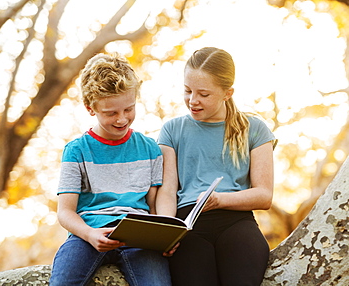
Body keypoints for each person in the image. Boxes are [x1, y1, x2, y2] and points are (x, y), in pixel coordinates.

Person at [156, 47, 276, 286]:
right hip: (188, 225)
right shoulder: (172, 130)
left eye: (203, 94)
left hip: (236, 221)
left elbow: (264, 195)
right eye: (188, 91)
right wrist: (166, 233)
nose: (193, 100)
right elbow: (167, 190)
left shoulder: (255, 129)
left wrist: (220, 200)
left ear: (227, 93)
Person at [49, 53, 171, 286]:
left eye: (129, 109)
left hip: (138, 239)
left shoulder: (150, 149)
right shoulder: (76, 151)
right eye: (111, 113)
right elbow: (65, 212)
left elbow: (154, 206)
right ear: (90, 108)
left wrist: (164, 237)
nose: (122, 119)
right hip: (87, 235)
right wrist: (89, 234)